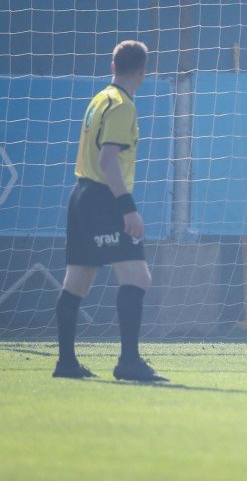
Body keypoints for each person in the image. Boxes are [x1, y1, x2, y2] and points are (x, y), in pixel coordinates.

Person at [53, 40, 167, 382]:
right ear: (143, 71)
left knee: (78, 282)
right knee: (138, 278)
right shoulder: (122, 106)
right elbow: (107, 159)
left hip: (81, 195)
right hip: (104, 198)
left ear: (113, 65)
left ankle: (66, 364)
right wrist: (127, 208)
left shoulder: (100, 98)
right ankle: (128, 362)